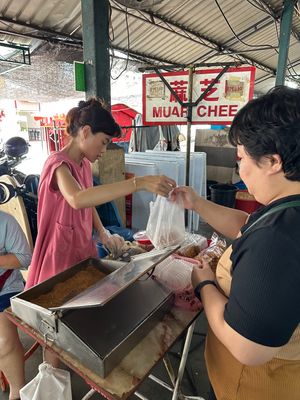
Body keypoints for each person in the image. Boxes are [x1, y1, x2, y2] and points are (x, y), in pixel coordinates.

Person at [171, 86, 300, 400]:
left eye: (241, 157)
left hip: (257, 386)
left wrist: (205, 284)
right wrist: (197, 203)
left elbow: (248, 347)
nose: (238, 168)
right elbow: (247, 225)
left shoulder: (279, 239)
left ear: (272, 161)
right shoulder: (286, 208)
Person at [25, 98, 176, 365]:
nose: (104, 149)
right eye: (104, 141)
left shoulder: (83, 164)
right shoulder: (57, 164)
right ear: (85, 132)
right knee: (56, 325)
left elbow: (89, 200)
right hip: (58, 254)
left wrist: (103, 232)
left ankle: (71, 361)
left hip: (80, 247)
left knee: (78, 313)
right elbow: (77, 199)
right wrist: (138, 183)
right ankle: (52, 373)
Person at [0, 210, 32, 400]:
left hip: (6, 288)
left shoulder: (5, 221)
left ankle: (17, 392)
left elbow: (24, 258)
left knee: (3, 341)